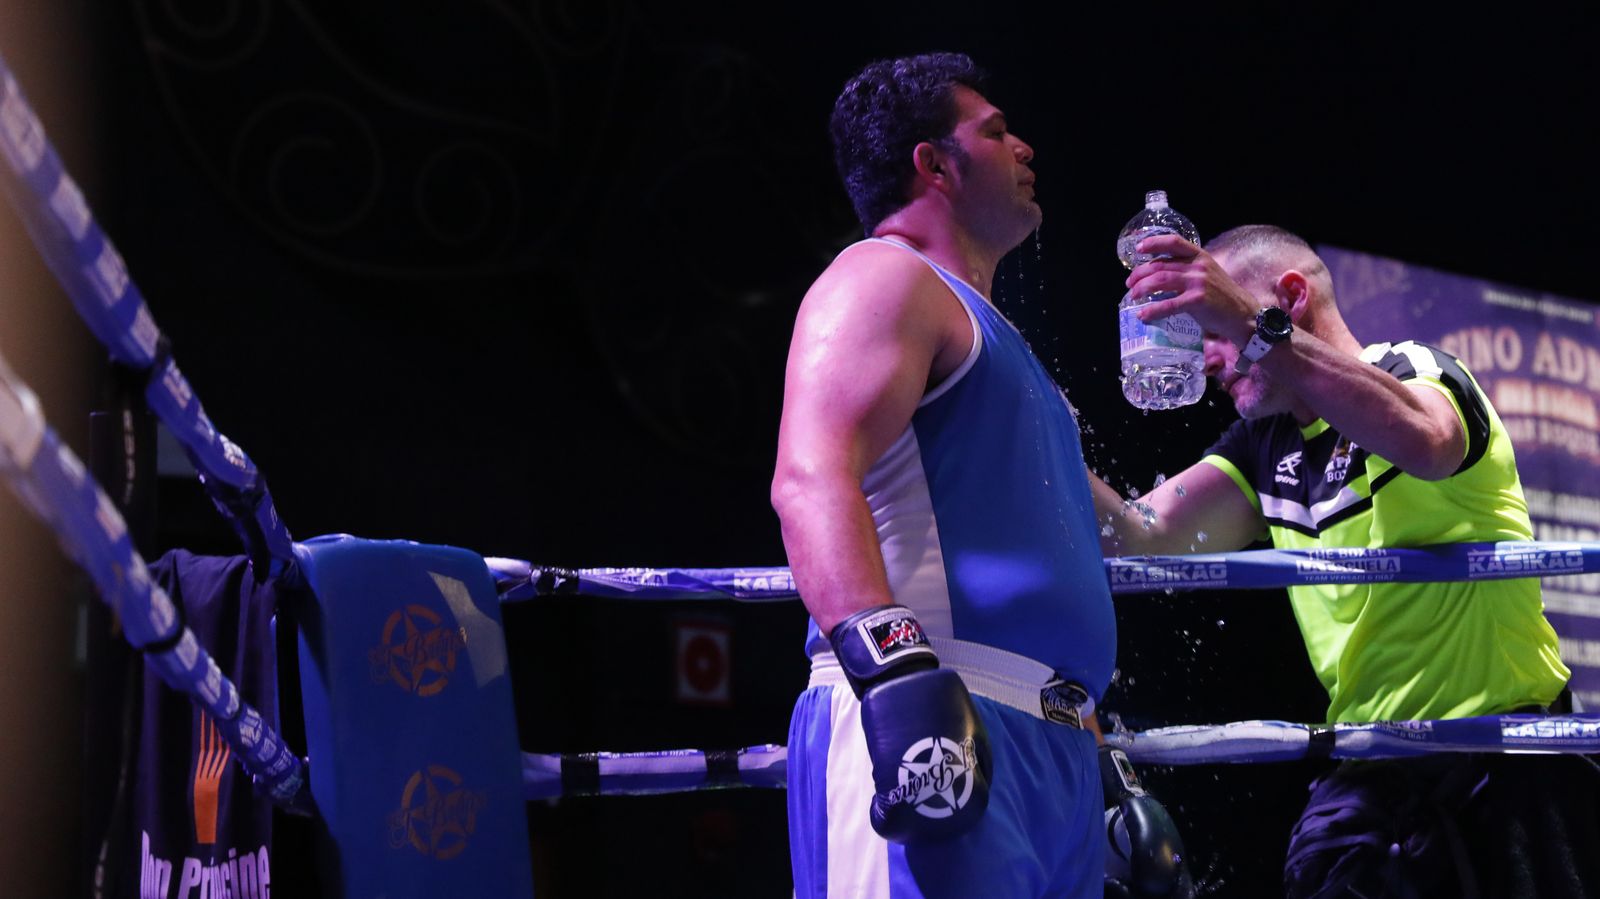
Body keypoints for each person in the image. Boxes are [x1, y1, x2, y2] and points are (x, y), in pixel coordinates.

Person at [770, 53, 1191, 899]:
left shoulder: (1010, 357)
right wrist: (894, 681)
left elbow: (1131, 536)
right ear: (934, 164)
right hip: (930, 709)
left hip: (1051, 747)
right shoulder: (882, 277)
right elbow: (811, 477)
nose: (1025, 145)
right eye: (995, 131)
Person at [1095, 223, 1600, 897]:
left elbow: (1428, 441)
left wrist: (1250, 324)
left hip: (1506, 761)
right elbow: (1138, 535)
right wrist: (1028, 414)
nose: (1208, 358)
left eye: (1213, 326)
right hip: (1372, 769)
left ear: (1291, 298)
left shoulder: (1412, 371)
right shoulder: (1263, 445)